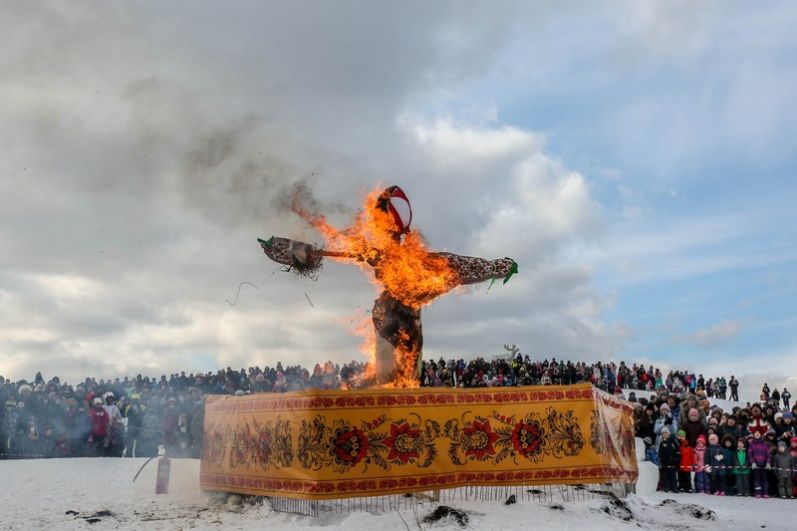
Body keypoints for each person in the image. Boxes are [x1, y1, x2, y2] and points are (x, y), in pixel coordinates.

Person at [749, 430, 771, 498]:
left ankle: (765, 493)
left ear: (761, 434)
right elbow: (750, 454)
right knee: (757, 479)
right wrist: (752, 462)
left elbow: (768, 454)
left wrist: (768, 462)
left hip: (764, 465)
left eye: (759, 433)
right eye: (756, 433)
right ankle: (758, 493)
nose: (757, 434)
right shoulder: (752, 444)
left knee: (764, 479)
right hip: (756, 465)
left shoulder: (765, 444)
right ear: (754, 435)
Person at [658, 427, 680, 493]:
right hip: (666, 463)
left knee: (673, 476)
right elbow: (660, 453)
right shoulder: (662, 443)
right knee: (666, 476)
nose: (664, 434)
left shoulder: (673, 441)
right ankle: (667, 487)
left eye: (666, 433)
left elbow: (677, 451)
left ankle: (674, 488)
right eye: (663, 433)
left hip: (673, 462)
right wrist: (662, 460)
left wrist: (676, 459)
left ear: (669, 433)